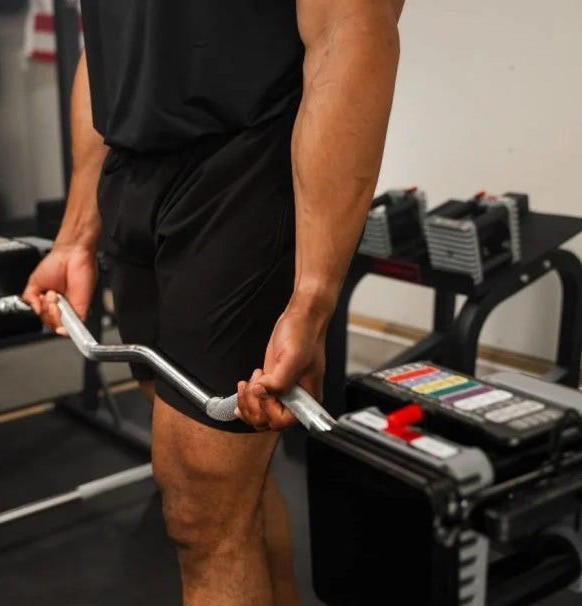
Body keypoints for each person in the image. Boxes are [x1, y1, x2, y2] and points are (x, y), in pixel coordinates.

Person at [23, 1, 405, 604]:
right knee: (219, 493)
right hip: (132, 168)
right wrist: (77, 233)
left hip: (244, 166)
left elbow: (347, 30)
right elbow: (105, 52)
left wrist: (312, 298)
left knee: (202, 513)